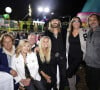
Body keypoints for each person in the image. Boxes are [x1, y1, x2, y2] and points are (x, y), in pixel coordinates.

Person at [45, 18, 69, 90]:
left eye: (57, 20)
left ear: (59, 22)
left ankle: (62, 88)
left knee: (63, 74)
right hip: (51, 56)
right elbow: (43, 42)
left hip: (62, 56)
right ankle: (54, 87)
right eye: (53, 20)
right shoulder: (47, 32)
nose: (55, 22)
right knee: (53, 74)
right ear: (51, 22)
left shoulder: (64, 31)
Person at [66, 16, 88, 90]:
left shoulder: (85, 31)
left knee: (69, 72)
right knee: (73, 72)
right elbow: (67, 44)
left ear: (80, 23)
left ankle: (74, 84)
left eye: (78, 21)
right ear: (71, 23)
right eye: (74, 21)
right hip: (70, 55)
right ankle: (72, 87)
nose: (76, 22)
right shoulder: (68, 32)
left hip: (79, 56)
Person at [85, 14, 100, 90]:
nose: (92, 22)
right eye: (90, 20)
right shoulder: (89, 32)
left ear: (98, 21)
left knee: (94, 86)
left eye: (94, 19)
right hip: (88, 64)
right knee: (88, 83)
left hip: (97, 66)